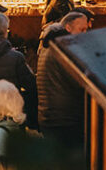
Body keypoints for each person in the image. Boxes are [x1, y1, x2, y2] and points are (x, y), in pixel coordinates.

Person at [37, 17, 85, 150]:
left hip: (47, 116)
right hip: (65, 119)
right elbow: (79, 83)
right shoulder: (62, 54)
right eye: (82, 29)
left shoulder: (45, 52)